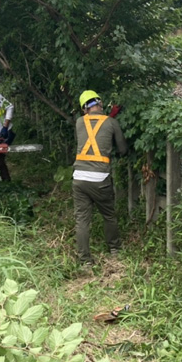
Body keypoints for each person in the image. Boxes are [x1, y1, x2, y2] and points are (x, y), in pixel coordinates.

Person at [73, 90, 127, 269]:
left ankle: (85, 261)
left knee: (82, 220)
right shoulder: (112, 122)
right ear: (100, 104)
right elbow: (122, 149)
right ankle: (115, 249)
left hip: (79, 177)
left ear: (84, 109)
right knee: (109, 215)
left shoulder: (79, 122)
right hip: (100, 178)